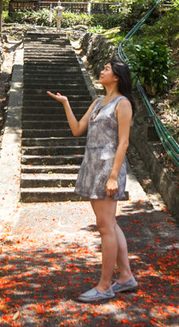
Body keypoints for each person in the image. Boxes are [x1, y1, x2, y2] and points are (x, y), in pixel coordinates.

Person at [47, 60, 138, 303]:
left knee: (105, 227)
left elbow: (123, 142)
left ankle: (105, 285)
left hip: (108, 169)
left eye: (107, 69)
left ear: (117, 76)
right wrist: (66, 104)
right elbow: (77, 129)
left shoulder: (123, 103)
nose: (102, 71)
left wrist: (112, 177)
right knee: (110, 224)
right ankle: (126, 276)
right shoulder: (98, 102)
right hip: (93, 166)